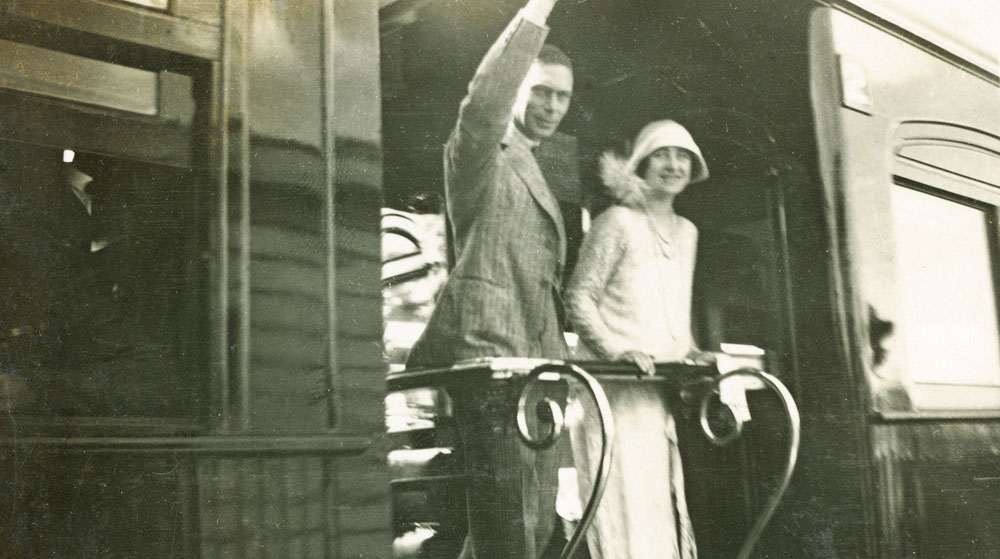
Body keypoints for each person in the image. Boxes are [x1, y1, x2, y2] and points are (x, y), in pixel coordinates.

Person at [402, 1, 575, 557]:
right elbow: (483, 103)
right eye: (541, 90)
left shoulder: (535, 165)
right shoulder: (481, 153)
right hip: (494, 365)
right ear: (518, 90)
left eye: (562, 96)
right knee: (511, 530)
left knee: (530, 525)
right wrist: (537, 10)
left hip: (538, 370)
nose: (551, 106)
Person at [565, 119, 709, 559]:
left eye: (682, 155)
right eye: (662, 154)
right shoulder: (617, 222)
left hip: (656, 395)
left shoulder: (688, 233)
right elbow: (579, 297)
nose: (673, 164)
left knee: (658, 507)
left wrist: (689, 353)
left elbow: (673, 314)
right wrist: (617, 352)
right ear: (641, 164)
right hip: (612, 395)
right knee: (620, 510)